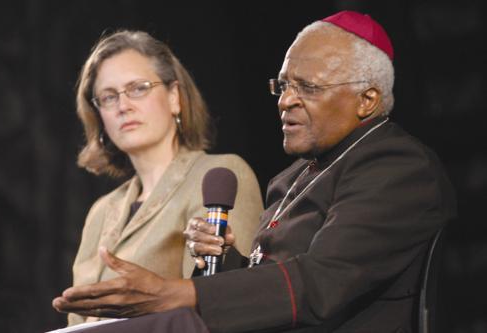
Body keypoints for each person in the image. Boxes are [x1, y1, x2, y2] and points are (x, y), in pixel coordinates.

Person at [53, 11, 457, 332]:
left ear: (366, 100)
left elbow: (321, 284)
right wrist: (226, 258)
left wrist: (178, 293)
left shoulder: (397, 166)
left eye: (307, 88)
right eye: (282, 86)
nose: (286, 101)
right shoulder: (293, 177)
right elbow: (269, 281)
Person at [66, 30, 263, 326]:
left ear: (174, 97)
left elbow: (226, 305)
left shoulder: (219, 174)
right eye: (108, 97)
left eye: (138, 88)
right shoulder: (101, 211)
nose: (123, 106)